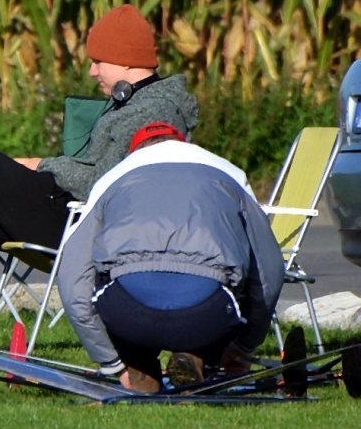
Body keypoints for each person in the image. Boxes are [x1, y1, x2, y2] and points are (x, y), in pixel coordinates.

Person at [0, 3, 199, 352]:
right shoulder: (136, 103)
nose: (92, 71)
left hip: (81, 225)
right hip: (70, 213)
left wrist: (43, 164)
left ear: (127, 61)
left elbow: (108, 182)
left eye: (99, 61)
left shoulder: (153, 112)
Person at [57, 124, 282, 393]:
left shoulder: (112, 179)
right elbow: (269, 273)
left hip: (129, 314)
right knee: (226, 286)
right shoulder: (229, 174)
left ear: (134, 152)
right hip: (207, 315)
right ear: (185, 144)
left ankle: (138, 367)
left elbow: (73, 282)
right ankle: (197, 355)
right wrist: (245, 346)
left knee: (111, 283)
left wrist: (111, 362)